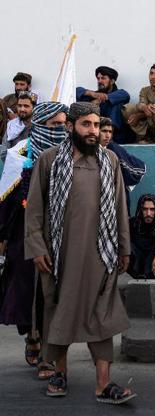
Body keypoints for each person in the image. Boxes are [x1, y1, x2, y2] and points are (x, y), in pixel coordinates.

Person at [25, 102, 136, 403]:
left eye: (97, 126)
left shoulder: (109, 160)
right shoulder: (49, 161)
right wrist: (36, 247)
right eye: (86, 125)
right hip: (58, 257)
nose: (93, 132)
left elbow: (119, 209)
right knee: (59, 313)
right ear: (70, 127)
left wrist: (124, 248)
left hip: (102, 254)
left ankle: (103, 384)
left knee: (103, 315)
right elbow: (34, 210)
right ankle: (59, 373)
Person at [0, 102, 68, 381]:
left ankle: (48, 354)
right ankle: (33, 337)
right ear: (39, 126)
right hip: (24, 237)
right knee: (29, 294)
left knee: (54, 297)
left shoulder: (69, 155)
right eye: (53, 126)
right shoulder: (20, 155)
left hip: (61, 237)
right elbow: (6, 202)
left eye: (64, 125)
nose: (60, 131)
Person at [99, 117, 147, 211]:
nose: (108, 135)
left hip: (116, 201)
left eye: (110, 132)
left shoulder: (114, 150)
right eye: (104, 131)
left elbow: (139, 168)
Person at [123, 63, 155, 144]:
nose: (153, 77)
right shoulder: (144, 90)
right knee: (127, 108)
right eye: (151, 73)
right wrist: (144, 108)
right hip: (149, 121)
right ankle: (147, 136)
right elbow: (141, 104)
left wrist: (139, 115)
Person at [76, 66, 131, 143]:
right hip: (95, 135)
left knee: (115, 105)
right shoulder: (93, 96)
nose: (99, 81)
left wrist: (103, 99)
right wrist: (92, 94)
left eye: (103, 78)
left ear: (112, 81)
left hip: (117, 137)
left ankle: (109, 137)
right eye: (98, 78)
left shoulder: (120, 94)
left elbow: (126, 95)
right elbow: (76, 91)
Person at [1, 91, 37, 162]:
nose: (22, 109)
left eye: (26, 106)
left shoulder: (39, 127)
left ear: (34, 107)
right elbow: (3, 153)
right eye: (19, 105)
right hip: (12, 166)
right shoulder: (11, 125)